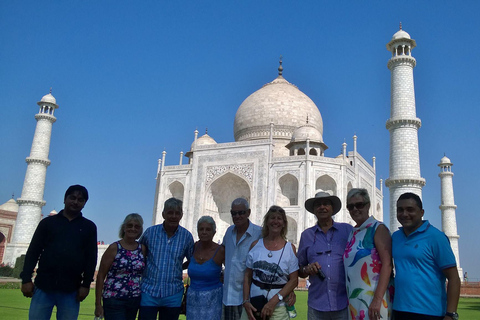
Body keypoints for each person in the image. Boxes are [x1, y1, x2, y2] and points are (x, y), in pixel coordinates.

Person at [20, 184, 97, 320]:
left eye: (80, 200)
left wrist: (86, 285)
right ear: (65, 199)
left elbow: (91, 258)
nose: (75, 202)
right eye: (72, 198)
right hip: (44, 286)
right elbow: (33, 251)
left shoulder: (88, 227)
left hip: (71, 289)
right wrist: (26, 279)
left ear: (84, 204)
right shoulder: (48, 223)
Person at [392, 192, 460, 320]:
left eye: (410, 209)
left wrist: (451, 314)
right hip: (400, 309)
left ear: (422, 212)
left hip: (430, 312)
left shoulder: (436, 237)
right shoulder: (396, 237)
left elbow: (454, 278)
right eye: (400, 210)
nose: (404, 214)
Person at [297, 191, 353, 320]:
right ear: (314, 210)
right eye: (318, 205)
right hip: (316, 304)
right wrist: (307, 269)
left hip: (343, 302)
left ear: (332, 209)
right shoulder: (307, 235)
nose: (322, 207)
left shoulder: (347, 230)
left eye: (326, 204)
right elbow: (299, 269)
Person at [138, 197, 194, 320]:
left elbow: (193, 260)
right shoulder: (150, 233)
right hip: (149, 291)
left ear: (181, 215)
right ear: (163, 214)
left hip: (173, 293)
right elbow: (139, 255)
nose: (174, 216)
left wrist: (180, 266)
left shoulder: (186, 237)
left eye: (177, 213)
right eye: (170, 212)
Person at [343, 188, 394, 320]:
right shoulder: (352, 233)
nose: (355, 209)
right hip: (355, 300)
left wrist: (377, 300)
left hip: (375, 299)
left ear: (368, 205)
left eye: (359, 205)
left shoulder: (378, 228)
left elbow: (387, 265)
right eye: (350, 206)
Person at [243, 205, 299, 320]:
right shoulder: (255, 245)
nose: (275, 221)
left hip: (278, 307)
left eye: (279, 218)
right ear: (267, 222)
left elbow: (294, 280)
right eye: (272, 218)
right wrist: (245, 301)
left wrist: (273, 301)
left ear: (284, 223)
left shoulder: (289, 248)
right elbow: (247, 276)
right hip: (254, 304)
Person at [95, 213, 146, 320]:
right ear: (124, 228)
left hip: (134, 299)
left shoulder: (142, 249)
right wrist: (98, 304)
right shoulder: (114, 248)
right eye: (129, 225)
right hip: (114, 298)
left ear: (140, 230)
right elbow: (100, 276)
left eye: (136, 226)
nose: (133, 229)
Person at [222, 198, 263, 320]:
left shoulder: (259, 233)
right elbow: (222, 254)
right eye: (234, 213)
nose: (237, 216)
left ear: (248, 212)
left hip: (248, 298)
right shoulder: (229, 231)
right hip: (227, 297)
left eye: (241, 213)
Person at [186, 215, 225, 320]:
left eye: (208, 229)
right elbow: (187, 264)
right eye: (201, 229)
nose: (204, 232)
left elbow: (231, 270)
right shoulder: (193, 247)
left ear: (214, 232)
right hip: (193, 299)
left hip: (213, 299)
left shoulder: (221, 251)